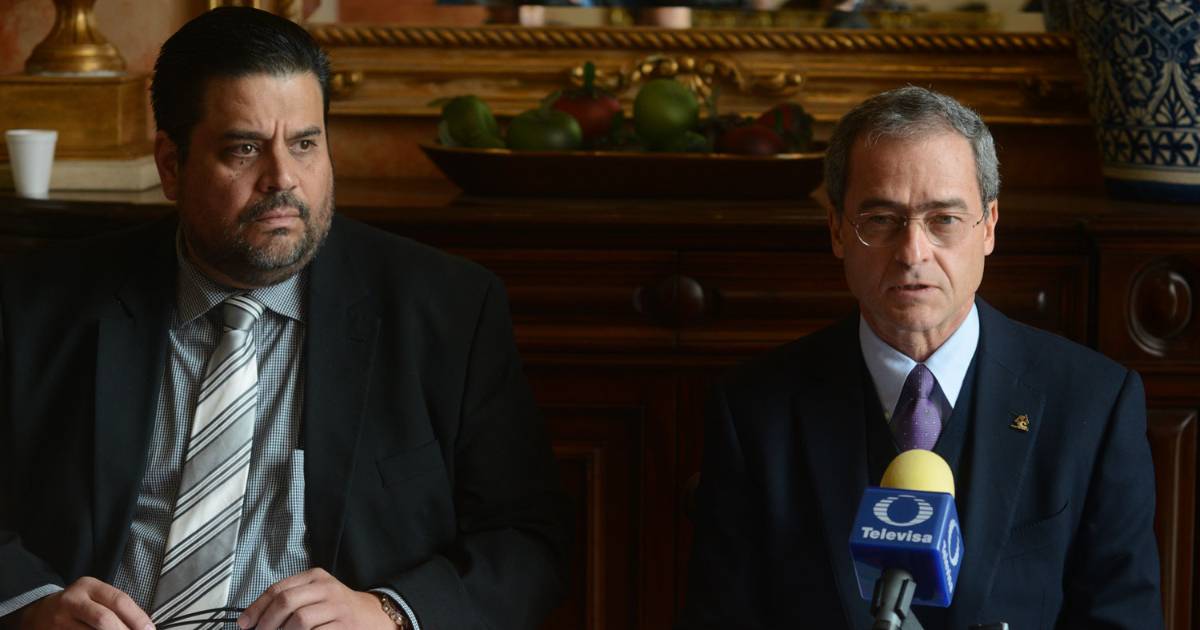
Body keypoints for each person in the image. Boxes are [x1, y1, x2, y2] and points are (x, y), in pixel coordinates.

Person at [0, 7, 568, 630]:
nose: (283, 179)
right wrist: (33, 606)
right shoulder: (38, 304)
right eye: (244, 149)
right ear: (171, 166)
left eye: (304, 144)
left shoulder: (447, 309)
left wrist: (389, 613)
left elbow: (527, 542)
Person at [680, 86, 1163, 629]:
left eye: (944, 219)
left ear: (989, 225)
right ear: (837, 230)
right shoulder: (754, 410)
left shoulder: (1094, 403)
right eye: (880, 219)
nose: (913, 253)